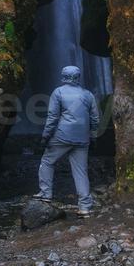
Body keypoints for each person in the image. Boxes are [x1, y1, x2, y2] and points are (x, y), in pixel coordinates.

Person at [34, 65, 99, 216]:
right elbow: (95, 119)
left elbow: (52, 117)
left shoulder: (58, 92)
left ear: (63, 76)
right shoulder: (88, 94)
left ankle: (46, 194)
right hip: (83, 139)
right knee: (81, 171)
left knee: (47, 161)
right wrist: (93, 136)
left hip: (62, 136)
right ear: (78, 77)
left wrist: (45, 137)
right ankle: (84, 207)